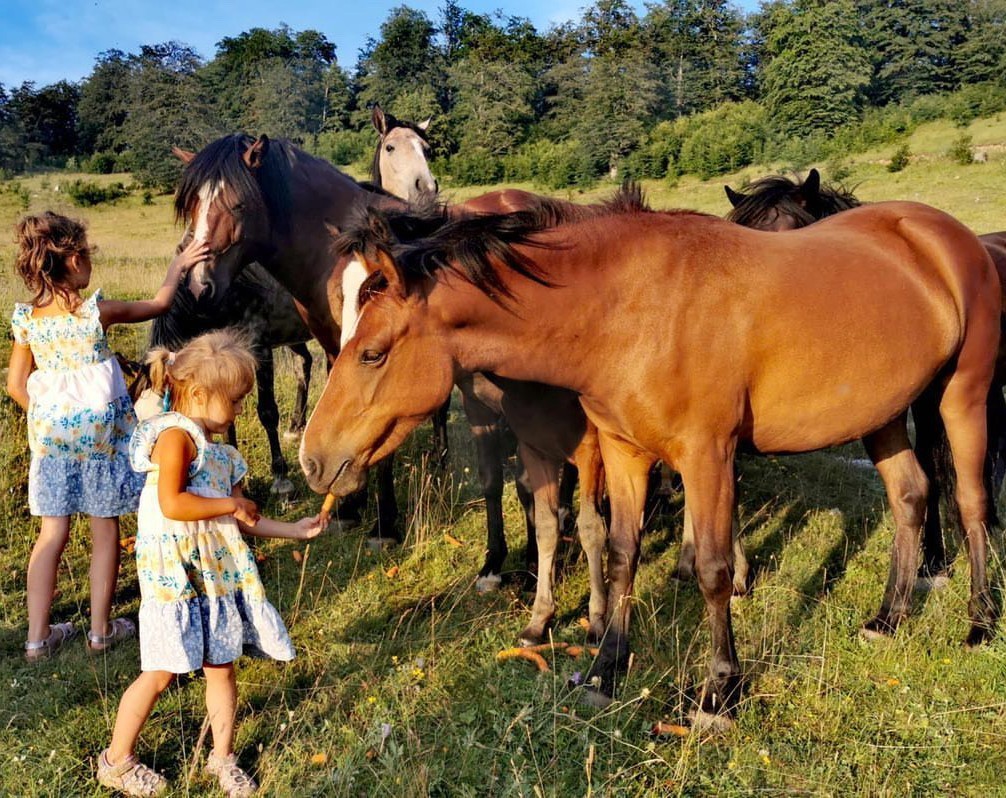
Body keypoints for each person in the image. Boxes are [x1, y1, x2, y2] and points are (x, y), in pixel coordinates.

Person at [97, 329, 323, 798]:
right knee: (160, 673)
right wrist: (227, 507)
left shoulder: (224, 456)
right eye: (235, 401)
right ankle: (116, 760)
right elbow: (174, 502)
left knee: (222, 666)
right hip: (175, 579)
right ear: (199, 393)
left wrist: (293, 529)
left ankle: (223, 757)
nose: (239, 410)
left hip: (215, 579)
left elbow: (244, 520)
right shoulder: (174, 437)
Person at [6, 211, 208, 660]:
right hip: (103, 445)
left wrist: (51, 418)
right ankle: (100, 632)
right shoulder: (97, 313)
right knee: (104, 531)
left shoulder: (26, 322)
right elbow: (157, 306)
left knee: (51, 533)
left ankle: (37, 639)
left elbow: (16, 386)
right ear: (75, 259)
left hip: (54, 446)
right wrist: (178, 266)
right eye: (88, 256)